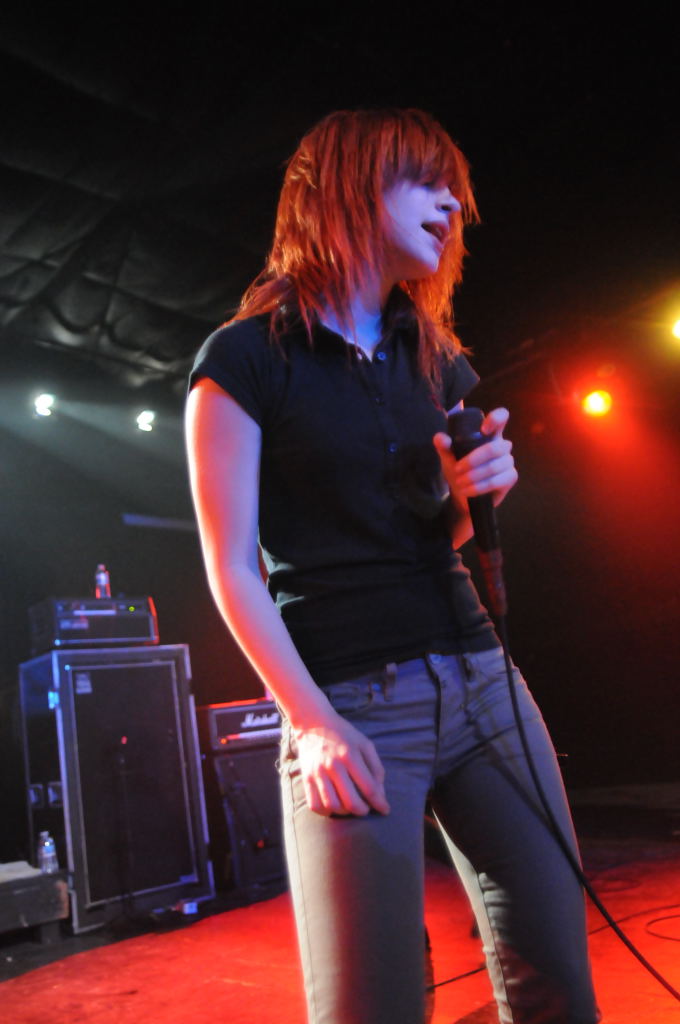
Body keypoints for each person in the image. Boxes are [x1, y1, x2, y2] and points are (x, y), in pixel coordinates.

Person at [185, 109, 600, 1024]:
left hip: (484, 684)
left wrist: (476, 494)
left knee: (559, 987)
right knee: (370, 1005)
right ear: (347, 186)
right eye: (426, 182)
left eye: (456, 191)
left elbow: (435, 536)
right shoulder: (243, 359)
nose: (453, 205)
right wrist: (312, 724)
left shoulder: (436, 358)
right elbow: (232, 565)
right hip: (352, 704)